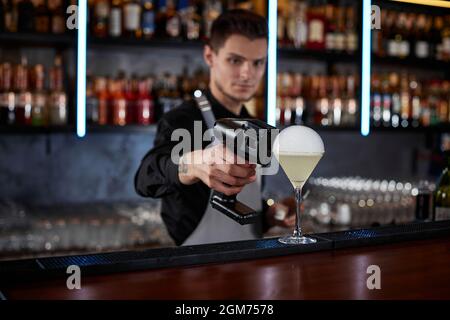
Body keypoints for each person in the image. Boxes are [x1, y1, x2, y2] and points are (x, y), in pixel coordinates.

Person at [135, 9, 295, 246]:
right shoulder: (182, 120)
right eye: (235, 60)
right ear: (210, 56)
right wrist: (192, 164)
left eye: (258, 62)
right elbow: (143, 179)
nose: (247, 74)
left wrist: (270, 215)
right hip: (196, 268)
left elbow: (237, 205)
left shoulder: (253, 124)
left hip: (248, 265)